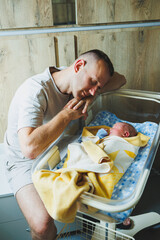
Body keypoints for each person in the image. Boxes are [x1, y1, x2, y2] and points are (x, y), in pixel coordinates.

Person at [4, 49, 126, 239]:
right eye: (93, 82)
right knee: (42, 225)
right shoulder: (36, 90)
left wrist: (92, 94)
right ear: (78, 66)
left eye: (99, 86)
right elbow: (29, 149)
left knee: (115, 176)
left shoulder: (77, 79)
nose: (94, 89)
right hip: (24, 162)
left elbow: (121, 80)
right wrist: (65, 116)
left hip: (62, 150)